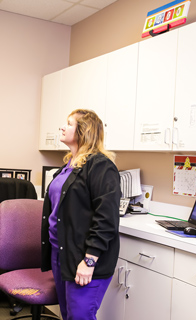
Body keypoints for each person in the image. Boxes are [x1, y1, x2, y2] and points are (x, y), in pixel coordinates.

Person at [41, 109, 121, 320]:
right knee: (68, 314)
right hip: (61, 252)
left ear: (83, 131)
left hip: (84, 257)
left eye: (68, 124)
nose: (62, 127)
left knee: (80, 316)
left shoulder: (101, 166)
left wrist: (89, 261)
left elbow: (107, 218)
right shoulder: (69, 165)